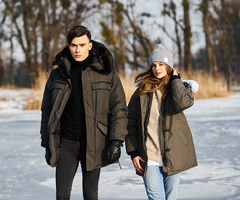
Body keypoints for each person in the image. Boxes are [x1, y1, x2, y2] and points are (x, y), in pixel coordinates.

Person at [40, 25, 128, 200]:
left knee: (90, 195)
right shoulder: (58, 74)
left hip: (94, 142)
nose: (77, 49)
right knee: (62, 195)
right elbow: (47, 110)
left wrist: (116, 141)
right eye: (73, 45)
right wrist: (46, 142)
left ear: (90, 45)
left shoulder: (106, 73)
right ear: (68, 46)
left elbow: (119, 108)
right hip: (66, 143)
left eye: (82, 45)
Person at [125, 43, 198, 200]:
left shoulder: (178, 88)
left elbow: (183, 104)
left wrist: (176, 80)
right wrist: (133, 151)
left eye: (161, 64)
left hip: (173, 154)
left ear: (169, 66)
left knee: (171, 198)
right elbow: (130, 122)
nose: (157, 68)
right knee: (155, 197)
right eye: (154, 65)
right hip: (149, 155)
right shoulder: (142, 91)